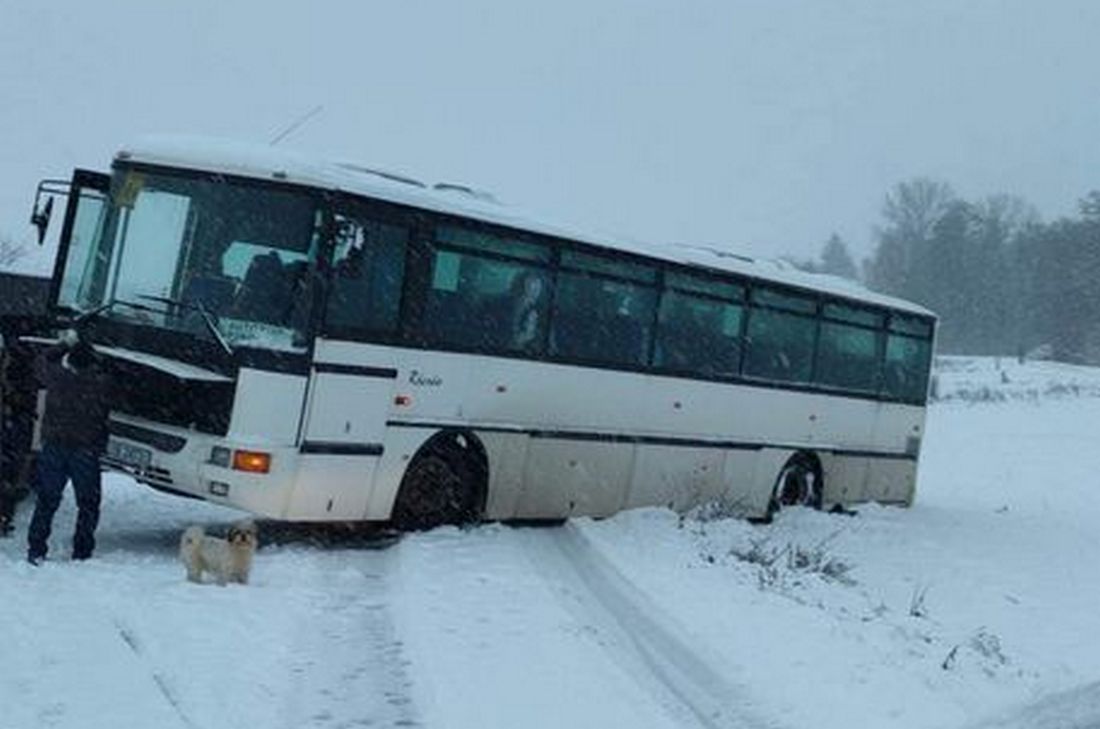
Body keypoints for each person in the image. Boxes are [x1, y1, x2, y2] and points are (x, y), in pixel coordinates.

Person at [26, 331, 111, 564]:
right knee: (88, 503)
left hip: (54, 446)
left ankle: (36, 549)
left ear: (69, 362)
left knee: (47, 500)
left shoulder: (56, 378)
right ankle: (82, 551)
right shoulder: (100, 384)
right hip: (85, 450)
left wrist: (64, 344)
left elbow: (41, 361)